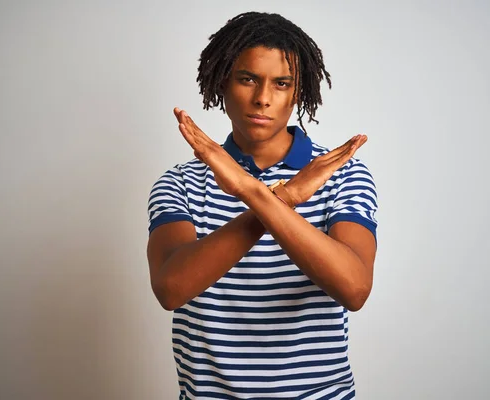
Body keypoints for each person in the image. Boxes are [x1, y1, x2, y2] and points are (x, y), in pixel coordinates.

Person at [147, 11, 378, 399]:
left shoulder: (337, 173)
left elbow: (354, 289)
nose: (263, 98)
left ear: (298, 92)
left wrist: (250, 191)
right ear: (222, 81)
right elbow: (172, 289)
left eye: (282, 83)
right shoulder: (179, 182)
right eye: (248, 78)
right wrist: (281, 199)